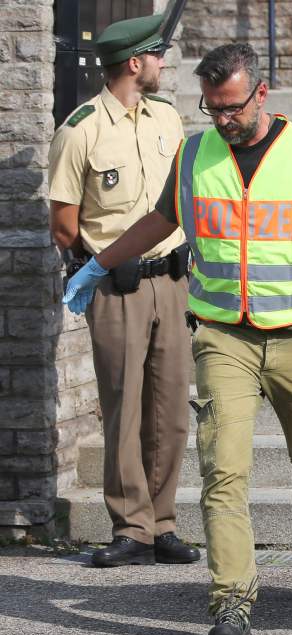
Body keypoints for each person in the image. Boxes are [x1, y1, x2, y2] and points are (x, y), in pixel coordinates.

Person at [63, 43, 292, 635]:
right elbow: (162, 220)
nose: (222, 120)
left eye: (231, 107)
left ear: (260, 94)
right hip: (223, 335)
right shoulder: (194, 152)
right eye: (212, 109)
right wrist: (99, 264)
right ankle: (232, 601)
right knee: (223, 469)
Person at [48, 14, 200, 568]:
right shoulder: (80, 129)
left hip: (174, 279)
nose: (163, 63)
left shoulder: (166, 116)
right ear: (134, 63)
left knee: (170, 410)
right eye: (157, 55)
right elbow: (64, 223)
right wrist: (97, 267)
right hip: (118, 286)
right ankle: (130, 526)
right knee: (124, 406)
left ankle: (162, 525)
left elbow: (181, 196)